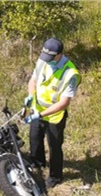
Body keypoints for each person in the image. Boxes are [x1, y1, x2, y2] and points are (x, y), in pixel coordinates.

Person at [23, 37, 81, 188]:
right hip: (37, 109)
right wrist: (30, 95)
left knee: (54, 146)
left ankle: (55, 176)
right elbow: (33, 81)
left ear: (59, 54)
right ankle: (37, 163)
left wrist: (41, 115)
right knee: (34, 138)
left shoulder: (71, 73)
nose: (47, 60)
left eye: (51, 58)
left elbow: (63, 103)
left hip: (55, 116)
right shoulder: (43, 60)